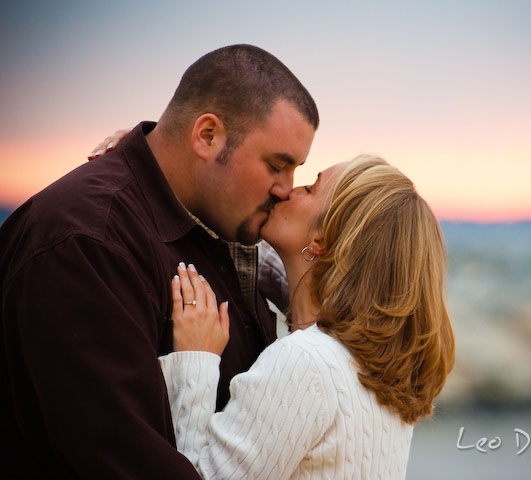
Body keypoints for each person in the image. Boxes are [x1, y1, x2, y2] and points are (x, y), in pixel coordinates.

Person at [0, 44, 317, 478]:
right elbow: (122, 461)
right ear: (207, 136)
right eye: (277, 165)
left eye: (296, 169)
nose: (286, 188)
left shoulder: (224, 226)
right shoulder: (90, 242)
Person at [159, 156, 455, 479]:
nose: (289, 190)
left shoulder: (303, 364)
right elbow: (302, 284)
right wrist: (161, 163)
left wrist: (196, 360)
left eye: (311, 188)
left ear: (320, 241)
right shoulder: (381, 374)